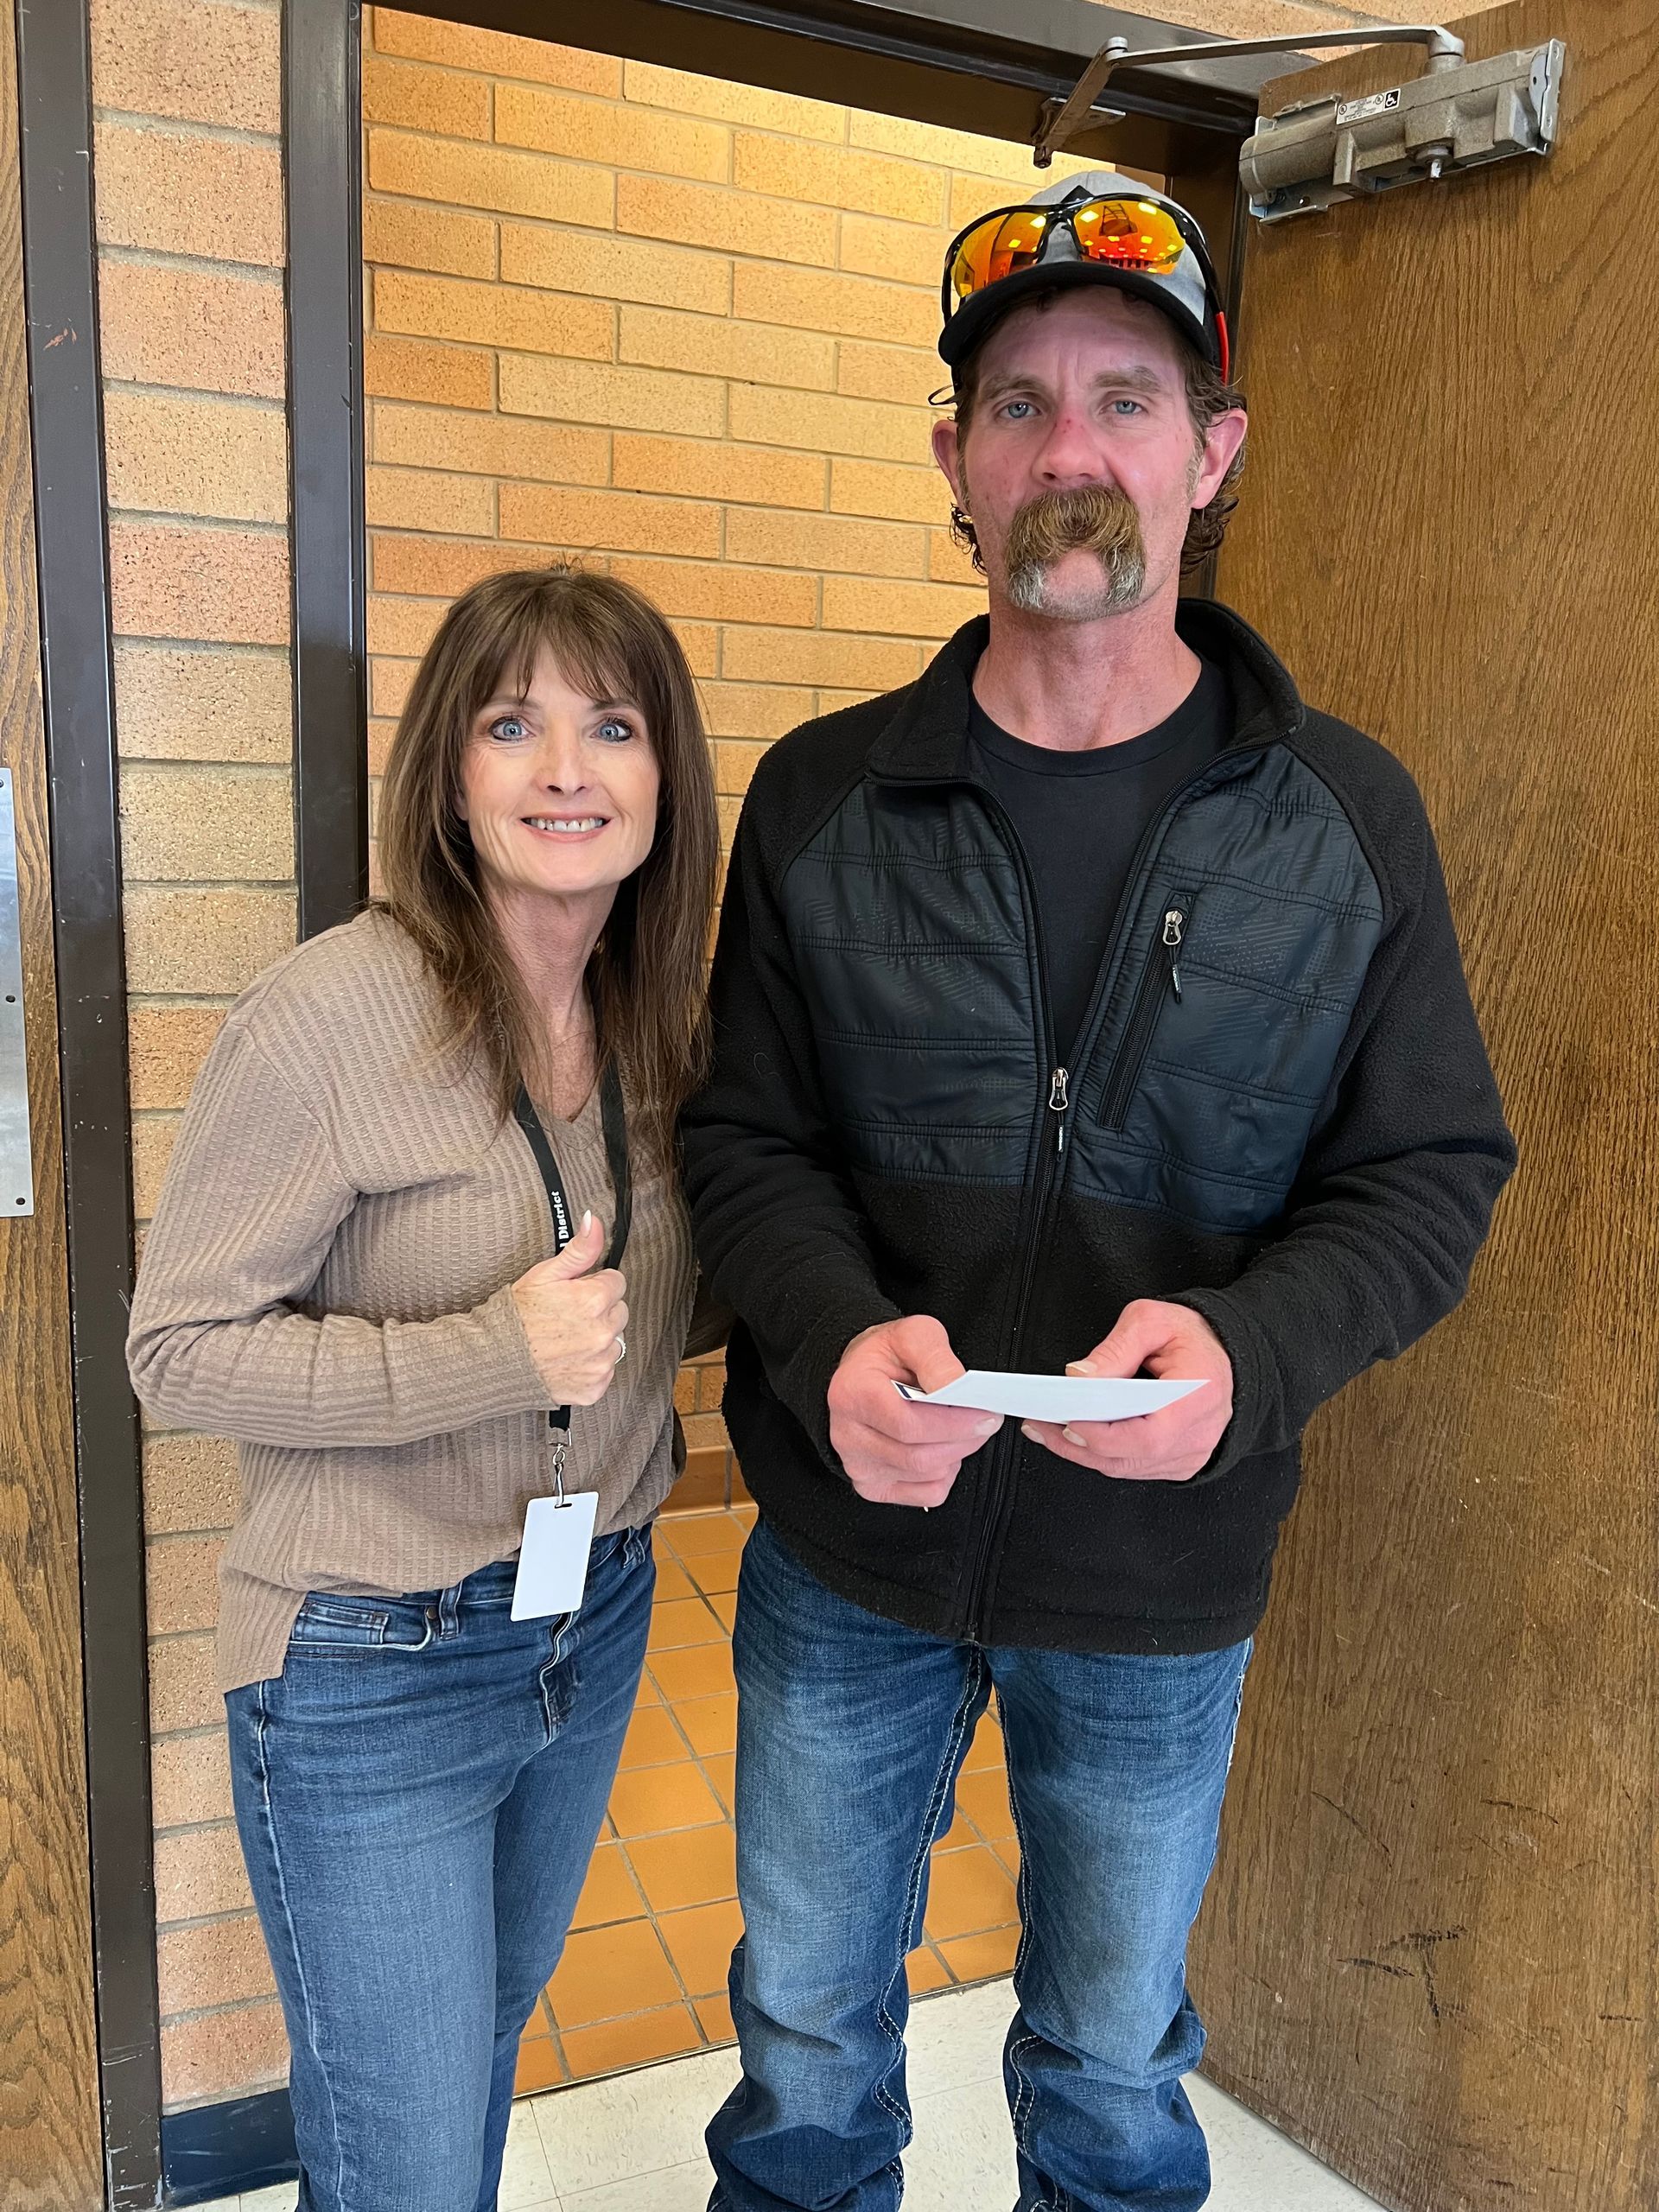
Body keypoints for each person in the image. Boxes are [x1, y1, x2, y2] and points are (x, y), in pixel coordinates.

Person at [683, 172, 1516, 2212]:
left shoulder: (1346, 820)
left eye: (1127, 398)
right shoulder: (820, 796)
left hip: (1162, 1584)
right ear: (954, 463)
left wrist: (1251, 1349)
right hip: (845, 1553)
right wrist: (821, 1328)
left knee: (1114, 2060)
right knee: (800, 2038)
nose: (1073, 448)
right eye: (1021, 402)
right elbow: (743, 1141)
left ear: (1212, 453)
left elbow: (1429, 1171)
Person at [128, 566, 721, 2212]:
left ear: (665, 778)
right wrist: (488, 1353)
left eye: (612, 727)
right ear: (448, 777)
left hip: (588, 1623)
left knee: (463, 2081)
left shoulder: (653, 1020)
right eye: (511, 724)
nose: (565, 771)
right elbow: (174, 1349)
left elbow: (681, 1294)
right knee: (401, 2166)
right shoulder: (335, 1016)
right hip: (371, 1659)